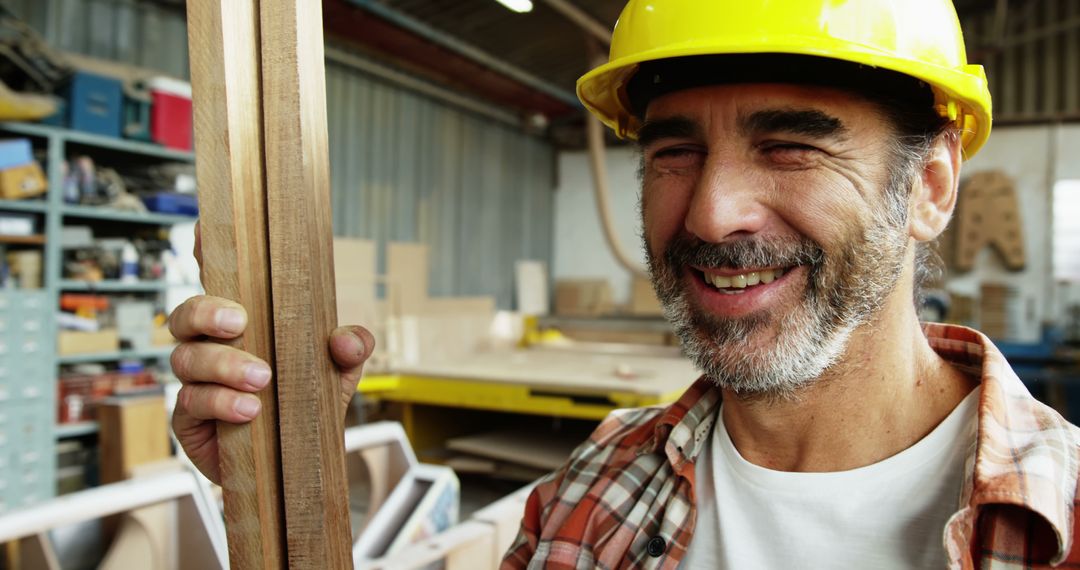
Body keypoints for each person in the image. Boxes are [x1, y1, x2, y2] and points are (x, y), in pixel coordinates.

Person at [169, 1, 1080, 568]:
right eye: (674, 150)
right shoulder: (589, 495)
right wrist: (281, 492)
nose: (712, 214)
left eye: (790, 145)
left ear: (929, 186)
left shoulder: (1058, 523)